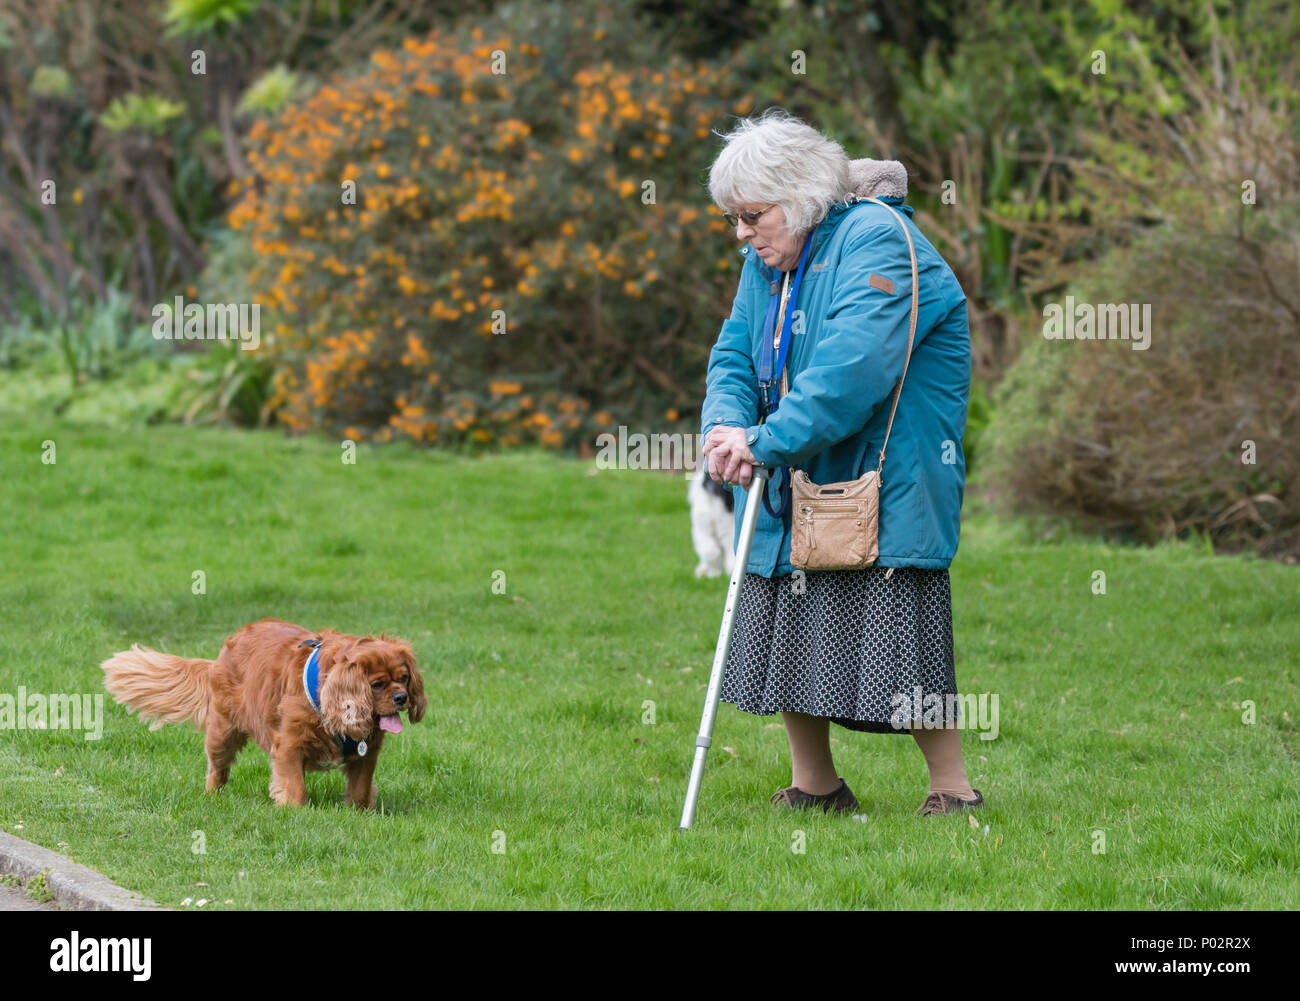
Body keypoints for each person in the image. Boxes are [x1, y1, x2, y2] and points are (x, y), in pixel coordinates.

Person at [700, 108, 982, 817]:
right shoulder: (771, 259)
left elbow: (852, 372)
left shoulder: (880, 242)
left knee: (899, 628)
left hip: (888, 475)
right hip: (799, 467)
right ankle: (816, 787)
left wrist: (763, 442)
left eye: (750, 216)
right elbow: (735, 350)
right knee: (790, 619)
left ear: (797, 197)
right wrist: (727, 426)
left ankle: (952, 789)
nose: (741, 233)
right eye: (734, 218)